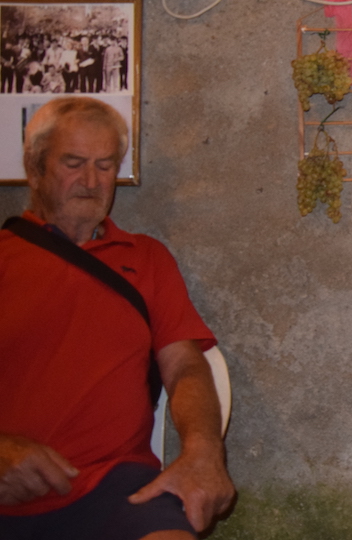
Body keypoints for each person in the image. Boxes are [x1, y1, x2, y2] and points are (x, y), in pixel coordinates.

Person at [0, 97, 234, 540]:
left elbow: (185, 367)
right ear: (35, 169)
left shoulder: (146, 259)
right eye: (74, 163)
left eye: (105, 166)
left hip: (116, 489)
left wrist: (204, 452)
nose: (91, 180)